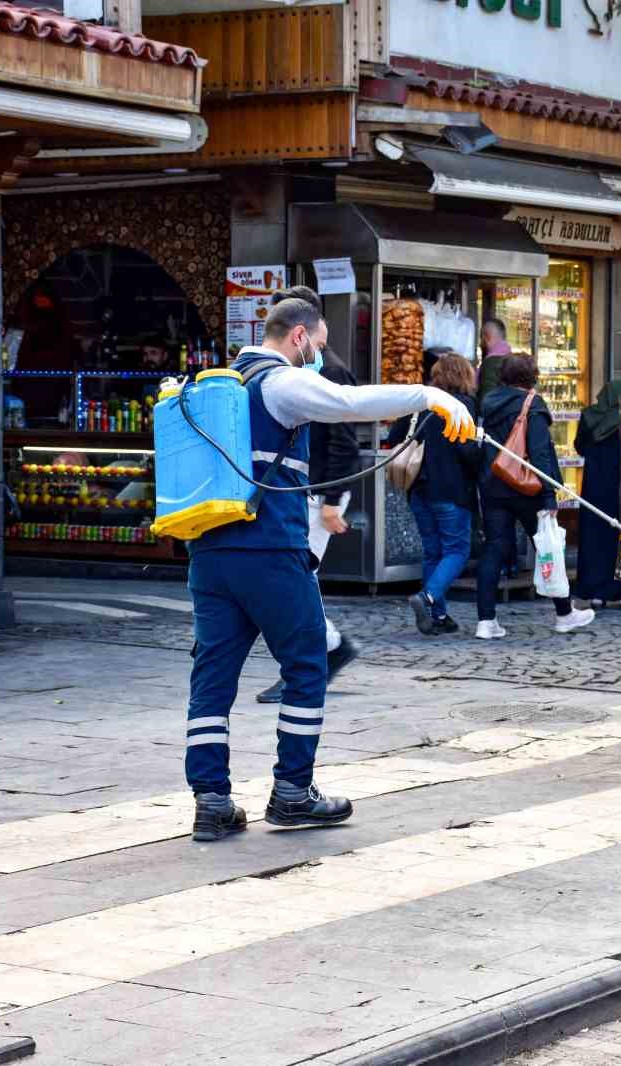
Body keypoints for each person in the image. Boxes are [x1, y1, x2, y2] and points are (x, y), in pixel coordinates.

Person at [185, 296, 474, 843]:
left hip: (209, 553)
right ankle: (293, 792)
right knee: (307, 666)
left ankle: (211, 803)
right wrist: (429, 394)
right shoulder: (279, 383)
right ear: (298, 337)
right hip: (269, 551)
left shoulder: (213, 385)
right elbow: (348, 401)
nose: (318, 354)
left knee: (212, 679)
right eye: (317, 344)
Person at [253, 291, 362, 704]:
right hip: (305, 491)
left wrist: (333, 499)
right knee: (294, 578)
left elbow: (343, 443)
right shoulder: (292, 372)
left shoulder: (328, 371)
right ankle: (325, 649)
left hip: (319, 493)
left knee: (295, 579)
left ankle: (317, 656)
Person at [475, 354, 595, 640]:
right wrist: (549, 496)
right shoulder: (532, 404)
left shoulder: (488, 403)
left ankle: (486, 621)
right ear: (532, 376)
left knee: (493, 549)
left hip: (493, 485)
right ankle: (564, 614)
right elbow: (540, 452)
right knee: (547, 548)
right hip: (526, 488)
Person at [387, 352, 481, 635]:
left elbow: (394, 438)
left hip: (418, 488)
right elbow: (468, 451)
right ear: (464, 375)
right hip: (451, 489)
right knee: (457, 550)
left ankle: (437, 616)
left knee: (433, 552)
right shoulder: (462, 405)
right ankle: (426, 598)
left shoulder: (420, 403)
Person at [573, 379, 621, 606]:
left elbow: (580, 447)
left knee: (594, 538)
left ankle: (595, 591)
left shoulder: (589, 416)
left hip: (594, 487)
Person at [476, 318, 513, 403]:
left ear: (486, 337)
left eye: (481, 338)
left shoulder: (490, 363)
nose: (480, 343)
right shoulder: (513, 360)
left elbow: (486, 399)